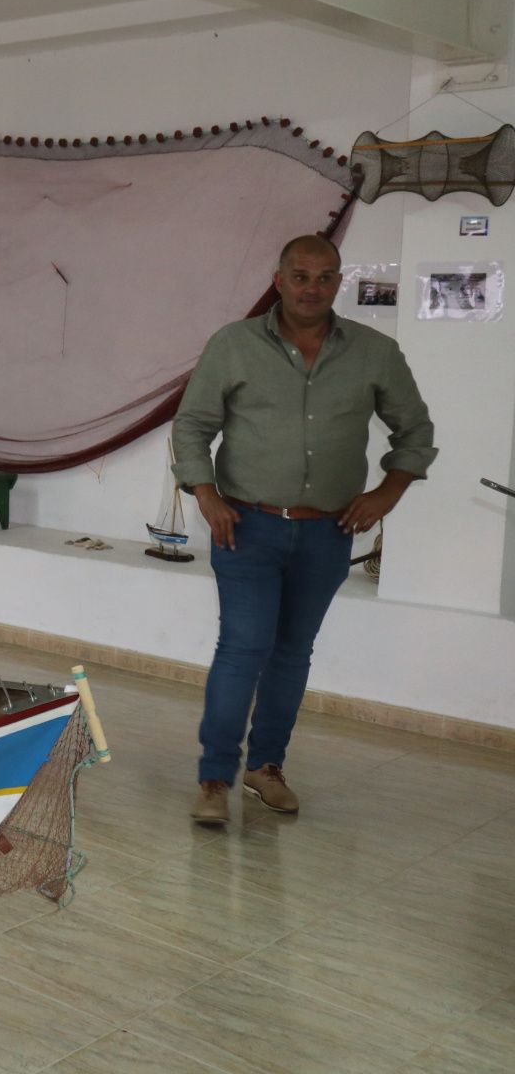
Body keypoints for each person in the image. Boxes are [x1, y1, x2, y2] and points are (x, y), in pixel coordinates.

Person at [173, 234, 436, 825]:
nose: (311, 287)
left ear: (338, 281)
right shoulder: (234, 345)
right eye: (300, 276)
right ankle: (215, 778)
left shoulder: (375, 352)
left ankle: (266, 769)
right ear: (279, 278)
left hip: (327, 533)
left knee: (292, 653)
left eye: (324, 276)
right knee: (243, 649)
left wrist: (387, 493)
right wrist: (207, 496)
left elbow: (415, 432)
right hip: (245, 527)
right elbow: (191, 426)